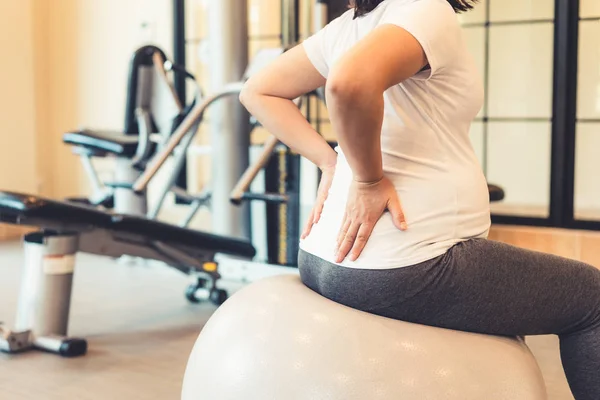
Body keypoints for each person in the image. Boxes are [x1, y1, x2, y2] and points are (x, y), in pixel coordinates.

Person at [239, 0, 600, 398]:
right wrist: (366, 180)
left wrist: (332, 162)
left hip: (323, 260)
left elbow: (258, 90)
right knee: (592, 299)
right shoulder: (423, 8)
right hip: (407, 264)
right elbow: (349, 83)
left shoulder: (347, 28)